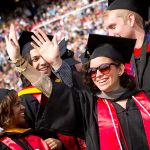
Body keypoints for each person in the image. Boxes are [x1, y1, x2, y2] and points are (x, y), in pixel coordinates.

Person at [7, 20, 150, 149]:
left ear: (120, 69)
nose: (98, 75)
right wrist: (20, 62)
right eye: (92, 71)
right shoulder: (91, 105)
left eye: (104, 68)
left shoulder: (144, 99)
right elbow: (49, 87)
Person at [6, 24, 86, 150]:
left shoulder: (65, 82)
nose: (43, 62)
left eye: (44, 56)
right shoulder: (26, 99)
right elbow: (31, 140)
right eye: (36, 59)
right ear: (28, 63)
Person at [102, 0, 150, 98]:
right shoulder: (122, 61)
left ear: (131, 19)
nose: (110, 35)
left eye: (113, 26)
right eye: (108, 29)